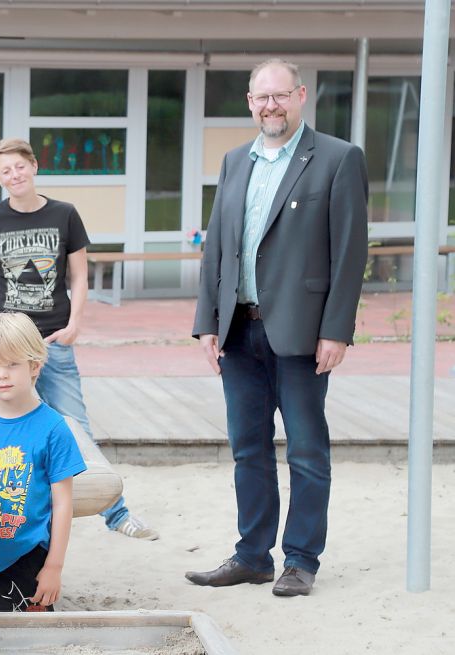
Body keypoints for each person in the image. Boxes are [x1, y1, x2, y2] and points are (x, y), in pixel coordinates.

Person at [188, 59, 368, 597]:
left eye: (280, 96)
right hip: (238, 332)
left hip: (302, 333)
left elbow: (350, 253)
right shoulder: (233, 161)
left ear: (301, 96)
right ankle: (252, 556)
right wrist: (206, 323)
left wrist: (336, 330)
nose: (271, 106)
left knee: (307, 451)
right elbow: (217, 247)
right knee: (248, 449)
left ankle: (301, 559)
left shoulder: (338, 158)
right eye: (261, 98)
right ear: (249, 102)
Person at [0, 137, 158, 540]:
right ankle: (16, 512)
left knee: (76, 423)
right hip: (5, 345)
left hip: (53, 338)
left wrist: (75, 324)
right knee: (8, 426)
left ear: (33, 166)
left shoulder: (64, 215)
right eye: (5, 171)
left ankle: (116, 513)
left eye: (19, 166)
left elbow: (80, 276)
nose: (14, 175)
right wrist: (2, 295)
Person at [0, 312, 86, 612]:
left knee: (33, 634)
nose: (1, 374)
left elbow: (63, 504)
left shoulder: (53, 429)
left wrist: (54, 567)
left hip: (29, 553)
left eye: (12, 364)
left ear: (34, 365)